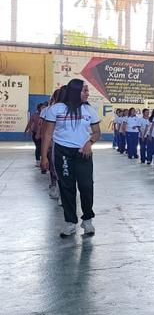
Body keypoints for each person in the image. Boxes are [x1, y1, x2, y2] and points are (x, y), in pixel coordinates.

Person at [40, 79, 101, 237]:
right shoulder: (56, 109)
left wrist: (90, 143)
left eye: (87, 90)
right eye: (84, 90)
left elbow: (96, 132)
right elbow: (47, 134)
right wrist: (44, 157)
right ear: (75, 91)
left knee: (86, 186)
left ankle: (87, 220)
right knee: (67, 188)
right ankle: (70, 222)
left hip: (83, 152)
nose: (87, 93)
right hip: (63, 152)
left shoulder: (90, 111)